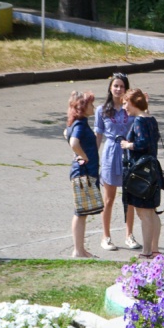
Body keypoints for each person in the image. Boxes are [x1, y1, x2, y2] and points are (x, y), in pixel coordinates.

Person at [94, 73, 140, 252]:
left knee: (130, 198)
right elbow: (98, 135)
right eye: (116, 86)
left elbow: (141, 126)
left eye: (122, 86)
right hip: (111, 154)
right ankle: (106, 237)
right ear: (110, 88)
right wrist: (91, 157)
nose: (119, 89)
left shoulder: (131, 107)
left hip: (129, 153)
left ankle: (129, 235)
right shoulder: (102, 110)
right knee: (109, 199)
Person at [120, 89, 162, 259]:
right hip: (152, 170)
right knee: (151, 212)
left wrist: (127, 145)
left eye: (126, 103)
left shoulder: (138, 121)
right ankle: (155, 249)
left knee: (144, 214)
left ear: (133, 103)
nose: (124, 107)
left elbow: (143, 143)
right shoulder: (151, 119)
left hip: (141, 174)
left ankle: (146, 251)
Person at [66, 90, 100, 258]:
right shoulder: (80, 124)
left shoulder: (77, 123)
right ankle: (78, 250)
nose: (93, 107)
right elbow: (73, 142)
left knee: (83, 212)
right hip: (82, 173)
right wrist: (83, 156)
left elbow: (65, 133)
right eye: (91, 104)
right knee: (80, 213)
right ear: (82, 107)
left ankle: (81, 249)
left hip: (84, 172)